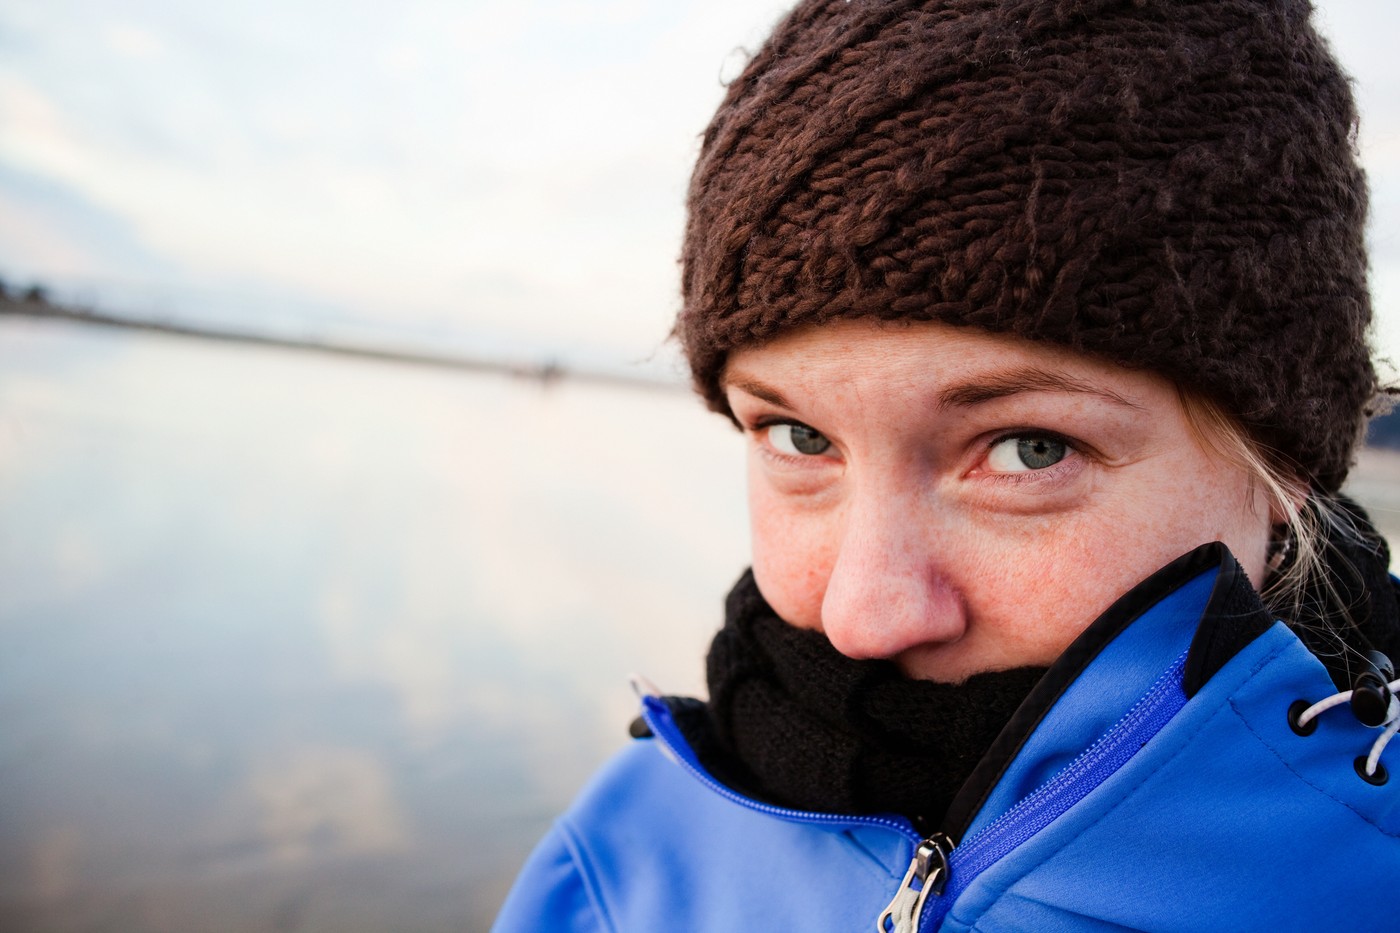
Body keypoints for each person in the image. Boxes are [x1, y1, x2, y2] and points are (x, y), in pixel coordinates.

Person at [494, 0, 1400, 929]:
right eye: (799, 438)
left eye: (1027, 449)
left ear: (1282, 463)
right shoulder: (619, 862)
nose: (861, 615)